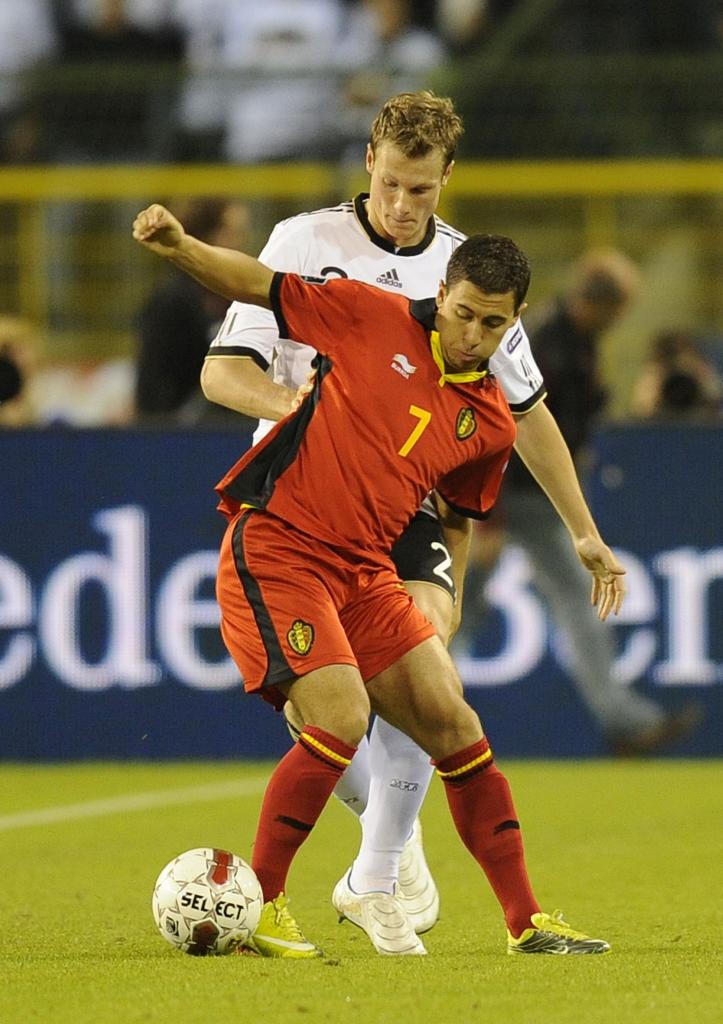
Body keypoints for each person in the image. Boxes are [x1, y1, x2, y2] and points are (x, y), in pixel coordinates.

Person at [194, 91, 627, 956]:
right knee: (336, 711)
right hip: (305, 491)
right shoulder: (306, 244)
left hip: (404, 505)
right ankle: (377, 851)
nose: (400, 205)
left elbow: (525, 412)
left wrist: (581, 527)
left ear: (446, 179)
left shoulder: (468, 275)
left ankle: (380, 873)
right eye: (390, 184)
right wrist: (301, 409)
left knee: (429, 661)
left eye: (419, 191)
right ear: (368, 163)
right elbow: (222, 371)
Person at [467, 250, 703, 755]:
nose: (620, 320)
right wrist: (488, 518)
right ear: (601, 304)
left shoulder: (574, 342)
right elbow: (496, 426)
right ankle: (411, 714)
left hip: (531, 499)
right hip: (507, 496)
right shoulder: (546, 345)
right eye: (619, 309)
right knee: (459, 607)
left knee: (476, 607)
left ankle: (625, 721)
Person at [134, 197, 252, 424]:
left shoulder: (241, 294)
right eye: (232, 233)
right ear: (206, 236)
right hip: (182, 432)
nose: (241, 241)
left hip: (230, 428)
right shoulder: (172, 301)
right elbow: (154, 385)